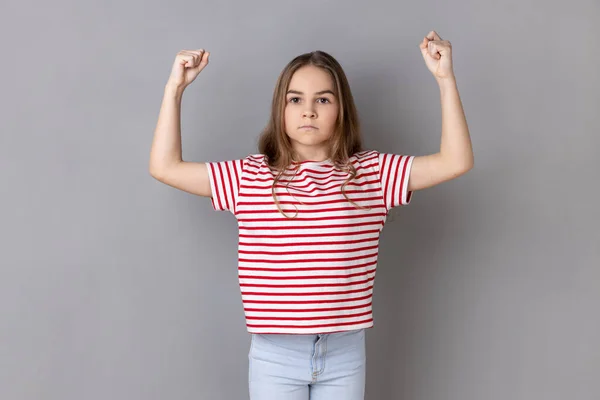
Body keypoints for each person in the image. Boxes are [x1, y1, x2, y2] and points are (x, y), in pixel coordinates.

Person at [149, 30, 473, 400]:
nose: (308, 110)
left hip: (344, 353)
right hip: (275, 354)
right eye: (295, 99)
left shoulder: (371, 173)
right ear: (280, 109)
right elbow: (165, 166)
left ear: (341, 109)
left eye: (323, 99)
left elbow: (456, 160)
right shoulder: (249, 177)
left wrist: (445, 79)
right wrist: (175, 89)